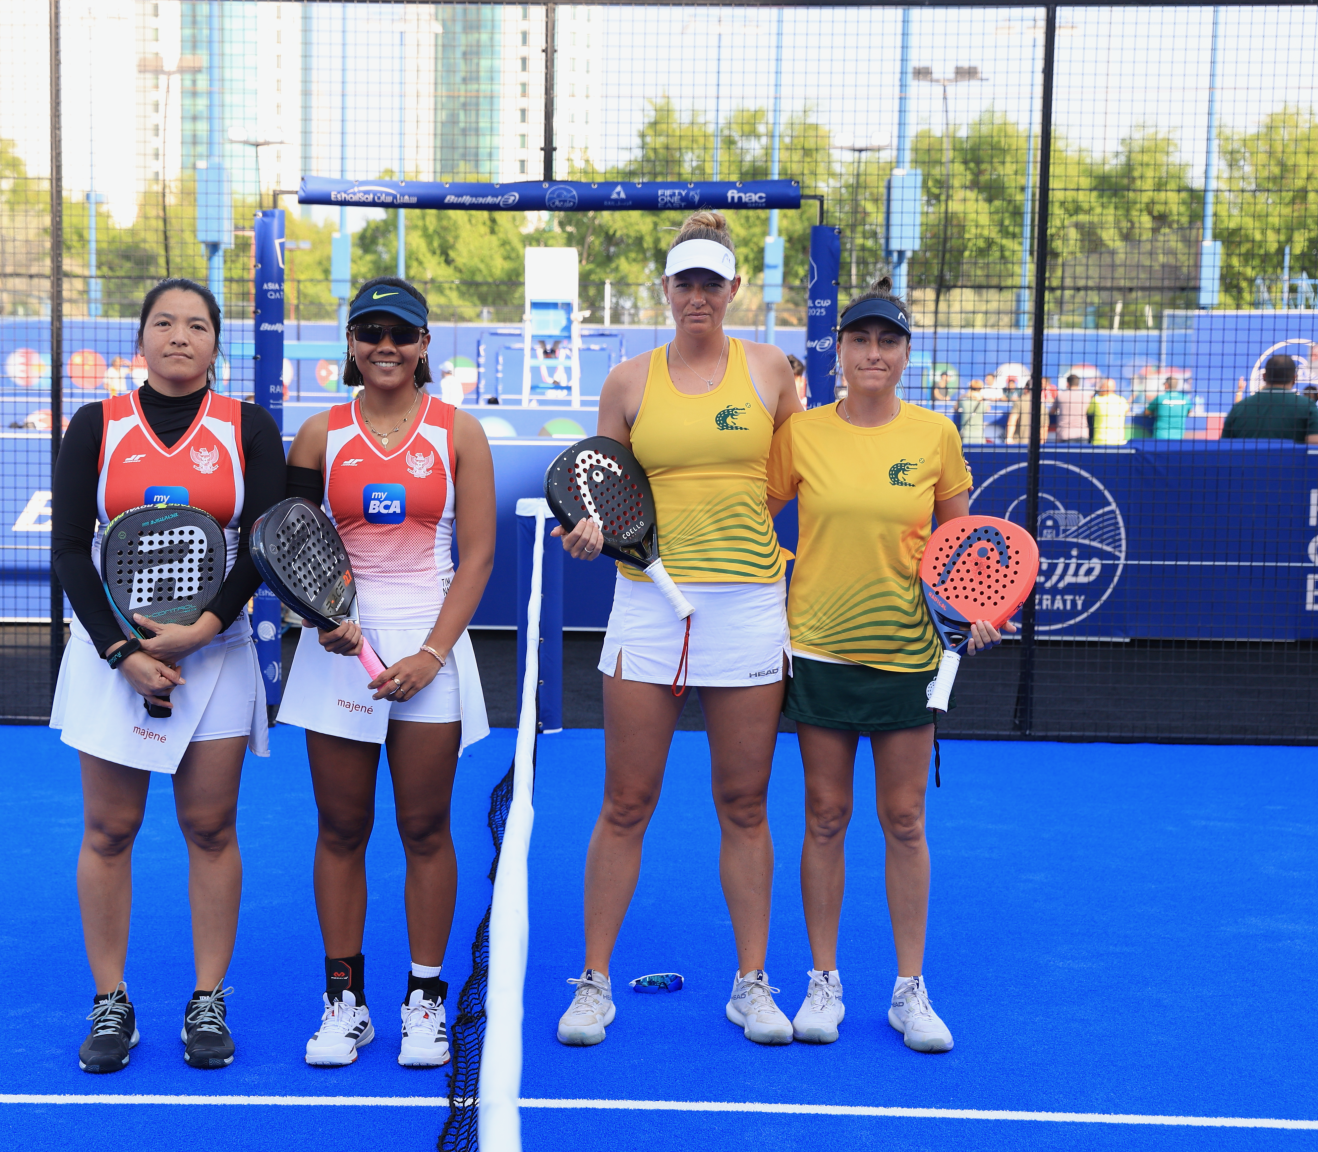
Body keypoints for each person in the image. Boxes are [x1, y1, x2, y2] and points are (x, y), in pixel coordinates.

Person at [554, 211, 804, 1049]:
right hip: (647, 609)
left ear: (735, 289)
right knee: (626, 801)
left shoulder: (771, 371)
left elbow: (789, 481)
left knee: (745, 802)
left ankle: (752, 983)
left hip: (748, 609)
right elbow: (598, 492)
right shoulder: (628, 381)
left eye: (712, 282)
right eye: (685, 281)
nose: (698, 295)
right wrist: (589, 533)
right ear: (666, 289)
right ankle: (593, 982)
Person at [765, 277, 1012, 1055]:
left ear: (906, 354)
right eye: (860, 339)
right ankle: (823, 983)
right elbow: (753, 519)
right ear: (838, 351)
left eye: (889, 341)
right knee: (824, 816)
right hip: (818, 651)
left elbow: (965, 550)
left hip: (909, 658)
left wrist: (975, 614)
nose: (874, 353)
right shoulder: (801, 434)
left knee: (904, 821)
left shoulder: (935, 435)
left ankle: (910, 990)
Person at [50, 278, 283, 1074]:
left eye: (196, 325)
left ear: (216, 341)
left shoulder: (249, 427)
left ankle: (208, 999)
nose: (179, 336)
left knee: (211, 829)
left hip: (215, 653)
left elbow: (263, 544)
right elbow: (69, 550)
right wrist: (125, 653)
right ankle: (110, 1001)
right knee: (109, 830)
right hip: (113, 656)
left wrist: (202, 630)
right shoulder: (97, 424)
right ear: (141, 338)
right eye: (163, 323)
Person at [281, 277, 495, 1069]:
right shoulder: (318, 435)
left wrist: (431, 654)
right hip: (337, 648)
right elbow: (290, 545)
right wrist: (319, 618)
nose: (386, 346)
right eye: (370, 332)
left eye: (401, 334)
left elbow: (478, 558)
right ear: (350, 344)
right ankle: (345, 1003)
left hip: (429, 647)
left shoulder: (459, 433)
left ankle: (425, 1000)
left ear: (424, 345)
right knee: (341, 828)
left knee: (425, 828)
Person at [1222, 355, 1318, 444]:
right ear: (1294, 378)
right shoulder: (1307, 406)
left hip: (1248, 457)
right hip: (1291, 457)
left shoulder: (1239, 408)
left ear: (1264, 376)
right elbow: (1314, 446)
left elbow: (1224, 447)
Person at [1144, 375, 1192, 440]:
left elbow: (1146, 412)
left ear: (1166, 385)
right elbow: (1190, 411)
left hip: (1160, 437)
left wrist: (1157, 412)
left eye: (1164, 385)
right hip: (1178, 438)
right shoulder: (1185, 398)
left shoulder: (1160, 398)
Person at [1087, 377, 1130, 445]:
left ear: (1103, 387)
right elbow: (1128, 410)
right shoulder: (1122, 400)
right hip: (1118, 442)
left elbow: (1088, 412)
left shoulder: (1096, 400)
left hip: (1100, 441)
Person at [1005, 377, 1047, 445]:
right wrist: (1041, 443)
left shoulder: (1019, 402)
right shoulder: (1043, 406)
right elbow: (1044, 428)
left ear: (1026, 388)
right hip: (1035, 444)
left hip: (1019, 444)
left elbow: (1012, 421)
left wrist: (1009, 438)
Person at [1053, 373, 1090, 443]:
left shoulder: (1060, 396)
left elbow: (1052, 411)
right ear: (1078, 384)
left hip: (1065, 434)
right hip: (1082, 433)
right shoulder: (1086, 397)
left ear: (1067, 384)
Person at [955, 377, 988, 445]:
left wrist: (964, 395)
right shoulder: (983, 404)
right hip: (979, 436)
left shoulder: (963, 402)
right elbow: (988, 408)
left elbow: (955, 407)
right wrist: (980, 397)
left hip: (966, 436)